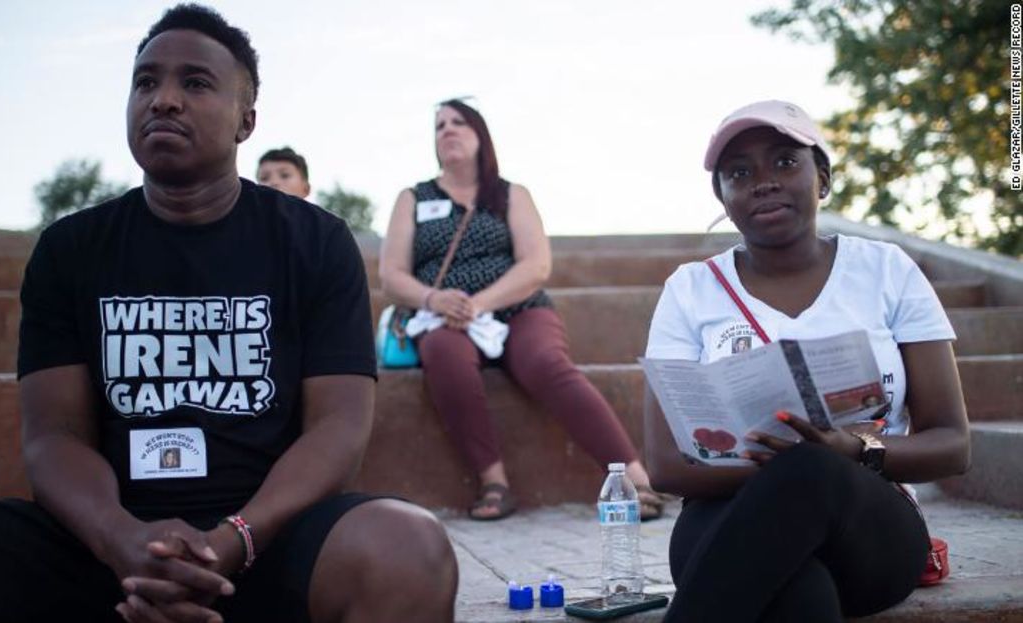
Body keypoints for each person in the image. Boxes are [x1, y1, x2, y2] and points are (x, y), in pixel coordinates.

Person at [0, 5, 457, 623]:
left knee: (409, 549)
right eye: (146, 82)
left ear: (246, 121)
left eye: (194, 83)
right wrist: (121, 540)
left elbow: (337, 429)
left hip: (268, 542)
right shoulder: (70, 249)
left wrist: (232, 541)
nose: (163, 99)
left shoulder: (316, 242)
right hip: (100, 545)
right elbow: (52, 437)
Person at [644, 100, 970, 622]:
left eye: (785, 161)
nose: (763, 181)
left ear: (822, 179)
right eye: (739, 172)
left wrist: (851, 451)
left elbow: (953, 445)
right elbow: (665, 465)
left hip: (867, 524)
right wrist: (783, 466)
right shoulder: (690, 290)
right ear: (725, 199)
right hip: (721, 517)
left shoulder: (886, 270)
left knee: (813, 470)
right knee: (800, 596)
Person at [379, 98, 666, 521]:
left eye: (459, 122)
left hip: (516, 307)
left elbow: (536, 265)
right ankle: (494, 482)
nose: (448, 130)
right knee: (443, 355)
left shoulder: (510, 194)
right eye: (439, 126)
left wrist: (478, 304)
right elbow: (391, 273)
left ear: (481, 135)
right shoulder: (413, 197)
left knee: (546, 363)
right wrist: (434, 299)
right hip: (444, 317)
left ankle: (635, 479)